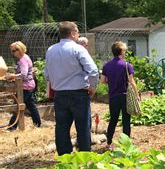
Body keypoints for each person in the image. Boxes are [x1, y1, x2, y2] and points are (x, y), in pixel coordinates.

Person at [45, 21, 99, 155]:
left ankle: (64, 157)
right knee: (83, 127)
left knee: (62, 127)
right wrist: (92, 87)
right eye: (77, 32)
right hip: (79, 93)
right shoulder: (78, 49)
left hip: (60, 94)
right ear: (73, 33)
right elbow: (93, 71)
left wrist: (56, 83)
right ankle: (84, 156)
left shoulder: (51, 50)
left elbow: (46, 73)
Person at [100, 41, 137, 147]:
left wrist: (111, 81)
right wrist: (136, 93)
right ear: (121, 52)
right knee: (126, 119)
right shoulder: (127, 65)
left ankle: (109, 141)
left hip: (113, 96)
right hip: (125, 96)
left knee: (113, 119)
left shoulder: (107, 65)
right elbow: (131, 81)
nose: (125, 52)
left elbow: (102, 81)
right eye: (124, 50)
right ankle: (126, 144)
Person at [6, 41, 41, 131]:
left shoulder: (22, 60)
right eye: (12, 51)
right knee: (31, 106)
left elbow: (24, 75)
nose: (12, 53)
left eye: (14, 51)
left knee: (18, 106)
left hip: (25, 87)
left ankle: (11, 127)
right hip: (29, 85)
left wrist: (12, 76)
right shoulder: (25, 57)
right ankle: (37, 124)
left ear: (20, 49)